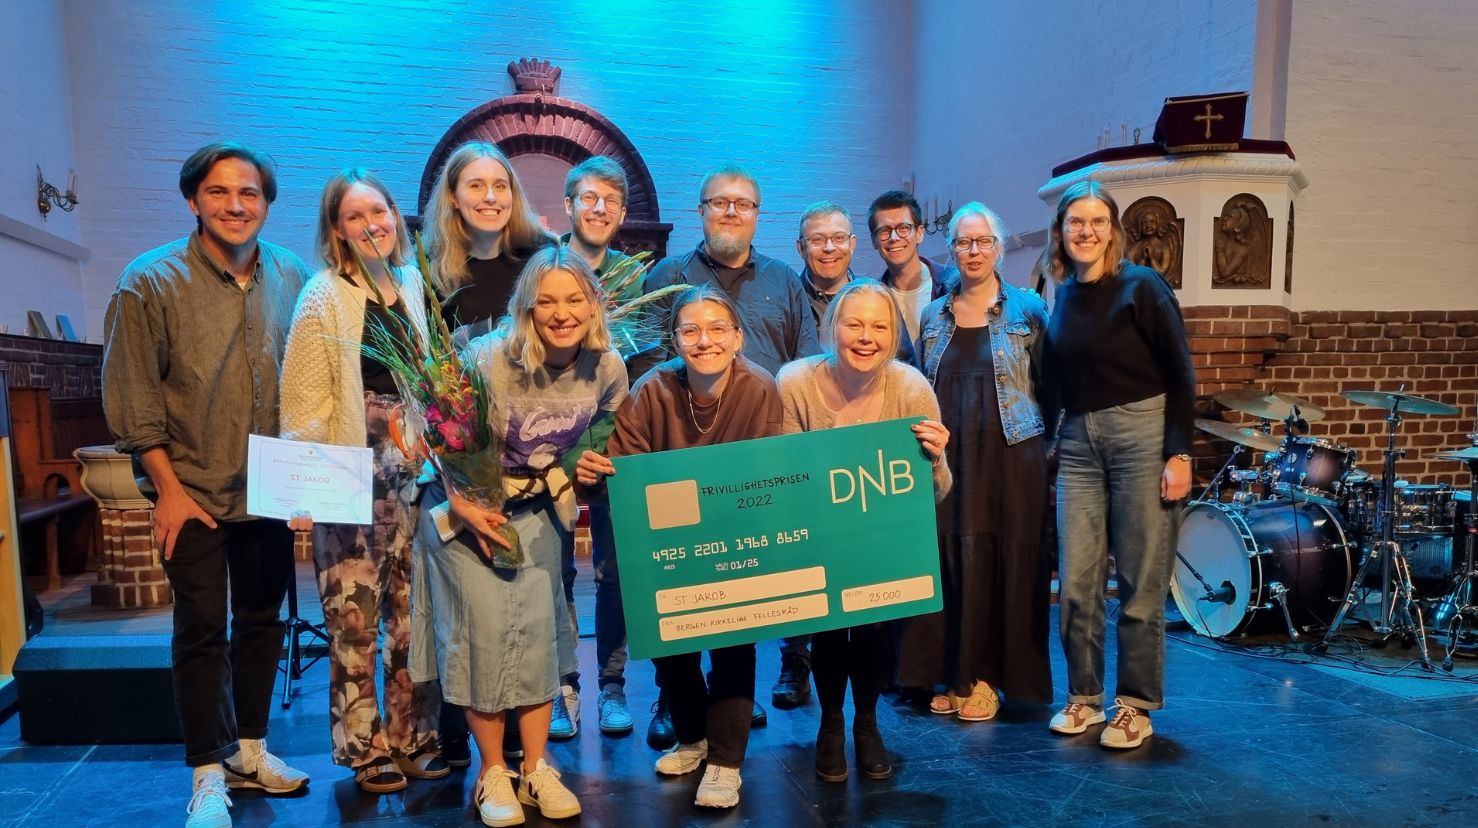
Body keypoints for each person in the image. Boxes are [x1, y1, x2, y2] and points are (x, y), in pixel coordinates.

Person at [101, 141, 311, 828]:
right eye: (219, 192)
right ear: (193, 200)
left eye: (249, 193)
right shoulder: (147, 281)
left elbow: (312, 381)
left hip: (269, 490)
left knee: (262, 621)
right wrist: (167, 490)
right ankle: (207, 773)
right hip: (188, 488)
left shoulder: (293, 275)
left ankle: (249, 750)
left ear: (267, 204)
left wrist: (310, 483)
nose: (235, 205)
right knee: (200, 629)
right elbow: (133, 397)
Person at [574, 285, 782, 809]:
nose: (704, 340)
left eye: (717, 329)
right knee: (672, 644)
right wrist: (598, 475)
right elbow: (626, 466)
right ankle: (693, 739)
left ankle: (727, 763)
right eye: (691, 330)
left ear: (738, 337)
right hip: (667, 535)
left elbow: (767, 473)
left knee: (733, 646)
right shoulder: (653, 389)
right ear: (676, 339)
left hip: (735, 537)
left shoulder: (760, 388)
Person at [278, 169, 445, 793]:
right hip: (349, 472)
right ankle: (363, 748)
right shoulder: (323, 294)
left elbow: (427, 379)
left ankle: (410, 736)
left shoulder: (412, 284)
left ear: (395, 215)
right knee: (355, 619)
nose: (372, 224)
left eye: (379, 211)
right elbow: (303, 400)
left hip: (414, 472)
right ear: (337, 230)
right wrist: (302, 489)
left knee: (412, 617)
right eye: (355, 216)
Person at [643, 164, 819, 734]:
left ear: (757, 215)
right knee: (679, 589)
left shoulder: (784, 281)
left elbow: (803, 365)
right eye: (719, 202)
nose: (731, 212)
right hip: (679, 454)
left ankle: (731, 699)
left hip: (754, 459)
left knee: (741, 587)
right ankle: (675, 700)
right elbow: (646, 361)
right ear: (701, 211)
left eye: (743, 204)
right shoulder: (668, 276)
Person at [1041, 180, 1196, 750]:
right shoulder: (1064, 293)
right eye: (1075, 222)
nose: (1085, 231)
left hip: (1142, 435)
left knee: (1139, 581)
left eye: (1097, 221)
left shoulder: (1143, 286)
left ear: (1113, 230)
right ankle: (1083, 698)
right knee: (1076, 582)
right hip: (1079, 441)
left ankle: (1135, 705)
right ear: (1061, 231)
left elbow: (1180, 372)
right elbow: (1055, 380)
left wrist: (1179, 453)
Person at [418, 141, 561, 757]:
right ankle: (465, 735)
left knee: (531, 605)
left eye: (500, 185)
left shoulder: (540, 259)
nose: (490, 197)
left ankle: (533, 737)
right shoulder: (427, 276)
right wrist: (457, 473)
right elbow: (424, 382)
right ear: (452, 198)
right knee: (467, 607)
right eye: (475, 186)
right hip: (461, 465)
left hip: (534, 467)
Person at [776, 281, 951, 782]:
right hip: (820, 533)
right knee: (831, 627)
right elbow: (784, 474)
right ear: (832, 327)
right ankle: (831, 725)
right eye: (854, 324)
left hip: (883, 537)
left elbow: (938, 492)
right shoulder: (794, 383)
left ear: (893, 334)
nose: (866, 337)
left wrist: (936, 460)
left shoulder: (911, 387)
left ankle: (868, 724)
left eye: (879, 326)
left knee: (874, 629)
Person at [899, 202, 1053, 723]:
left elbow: (1051, 388)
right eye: (964, 242)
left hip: (1012, 456)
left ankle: (988, 678)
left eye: (983, 241)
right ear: (951, 250)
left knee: (1000, 561)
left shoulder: (1029, 310)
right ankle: (956, 674)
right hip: (949, 457)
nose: (973, 250)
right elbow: (919, 387)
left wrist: (1047, 454)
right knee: (952, 562)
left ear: (999, 248)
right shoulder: (932, 317)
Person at [557, 156, 639, 737]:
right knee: (554, 572)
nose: (599, 208)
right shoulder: (543, 267)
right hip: (548, 445)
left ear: (623, 213)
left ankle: (612, 687)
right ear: (568, 205)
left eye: (610, 200)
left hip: (613, 446)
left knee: (614, 572)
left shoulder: (634, 277)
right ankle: (563, 687)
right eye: (588, 197)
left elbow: (643, 361)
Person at [797, 201, 917, 365]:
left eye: (839, 238)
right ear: (800, 248)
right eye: (817, 240)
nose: (829, 248)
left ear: (852, 244)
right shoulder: (789, 300)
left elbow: (905, 366)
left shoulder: (879, 298)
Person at [866, 190, 953, 342]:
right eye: (884, 231)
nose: (894, 238)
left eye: (903, 228)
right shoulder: (872, 298)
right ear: (874, 240)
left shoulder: (954, 286)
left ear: (919, 233)